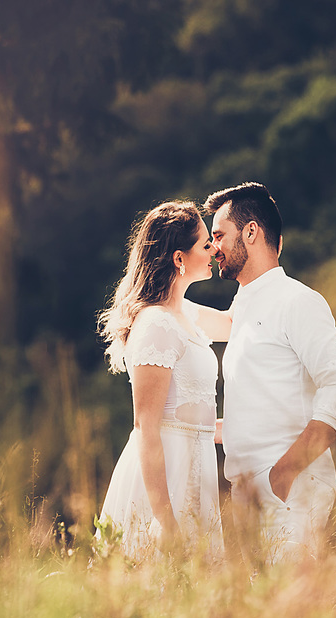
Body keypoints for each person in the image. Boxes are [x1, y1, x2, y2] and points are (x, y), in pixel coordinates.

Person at [205, 182, 336, 564]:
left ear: (252, 232)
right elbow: (264, 404)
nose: (213, 249)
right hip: (245, 496)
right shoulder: (243, 305)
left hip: (289, 492)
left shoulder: (298, 301)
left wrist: (284, 472)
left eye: (219, 235)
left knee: (291, 612)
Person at [96, 200, 232, 561]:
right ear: (178, 258)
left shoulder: (185, 312)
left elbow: (236, 325)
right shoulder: (156, 324)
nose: (214, 249)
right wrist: (164, 518)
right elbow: (146, 427)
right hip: (165, 477)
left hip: (197, 464)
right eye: (206, 244)